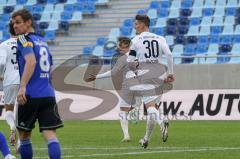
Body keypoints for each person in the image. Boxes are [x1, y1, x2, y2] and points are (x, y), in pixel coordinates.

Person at [11, 9, 63, 159]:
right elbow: (50, 68)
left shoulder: (22, 39)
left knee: (24, 136)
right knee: (50, 134)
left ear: (28, 22)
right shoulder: (43, 41)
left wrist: (22, 87)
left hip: (30, 95)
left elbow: (31, 61)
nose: (15, 26)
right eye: (13, 23)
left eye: (18, 22)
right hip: (48, 94)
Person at [127, 14, 175, 148]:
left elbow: (130, 61)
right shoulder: (160, 38)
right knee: (153, 109)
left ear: (143, 24)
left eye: (136, 24)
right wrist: (170, 73)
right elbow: (169, 55)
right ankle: (145, 139)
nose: (135, 26)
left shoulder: (135, 40)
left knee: (151, 108)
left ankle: (162, 122)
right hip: (160, 75)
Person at [86, 37, 141, 142]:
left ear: (125, 46)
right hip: (140, 83)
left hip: (128, 83)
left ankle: (126, 135)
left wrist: (96, 77)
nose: (118, 47)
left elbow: (113, 72)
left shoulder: (124, 58)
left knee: (123, 111)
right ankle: (136, 110)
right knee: (136, 104)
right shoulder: (139, 55)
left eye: (120, 45)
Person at [0, 21, 20, 146]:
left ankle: (12, 127)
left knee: (9, 109)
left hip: (9, 80)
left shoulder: (4, 44)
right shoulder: (25, 43)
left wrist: (1, 74)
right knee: (22, 111)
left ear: (9, 31)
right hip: (23, 81)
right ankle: (20, 142)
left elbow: (1, 63)